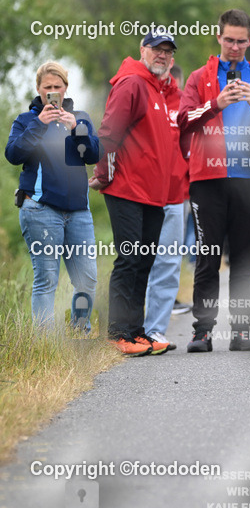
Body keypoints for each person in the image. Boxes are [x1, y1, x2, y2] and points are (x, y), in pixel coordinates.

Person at [178, 9, 250, 353]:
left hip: (249, 177)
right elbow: (183, 120)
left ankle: (241, 331)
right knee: (209, 255)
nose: (235, 47)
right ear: (218, 37)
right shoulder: (199, 77)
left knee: (243, 257)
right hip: (208, 178)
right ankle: (203, 331)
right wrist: (214, 104)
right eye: (229, 40)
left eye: (241, 41)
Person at [90, 31, 178, 356]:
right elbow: (109, 134)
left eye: (168, 51)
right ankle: (117, 333)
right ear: (143, 49)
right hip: (126, 188)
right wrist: (102, 175)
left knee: (144, 261)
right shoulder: (131, 83)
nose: (163, 55)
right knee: (129, 259)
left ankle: (136, 332)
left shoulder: (156, 87)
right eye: (157, 49)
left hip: (153, 193)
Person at [6, 61, 99, 331]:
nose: (53, 92)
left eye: (58, 87)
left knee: (88, 279)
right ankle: (44, 347)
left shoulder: (79, 118)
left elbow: (93, 154)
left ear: (66, 88)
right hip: (40, 209)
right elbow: (13, 154)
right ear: (38, 89)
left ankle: (79, 332)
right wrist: (39, 124)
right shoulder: (26, 120)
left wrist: (76, 129)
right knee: (47, 279)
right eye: (47, 87)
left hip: (79, 212)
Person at [143, 61, 188, 350]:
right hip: (143, 196)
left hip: (176, 196)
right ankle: (131, 330)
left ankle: (156, 330)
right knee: (138, 262)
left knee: (169, 264)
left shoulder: (183, 103)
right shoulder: (141, 97)